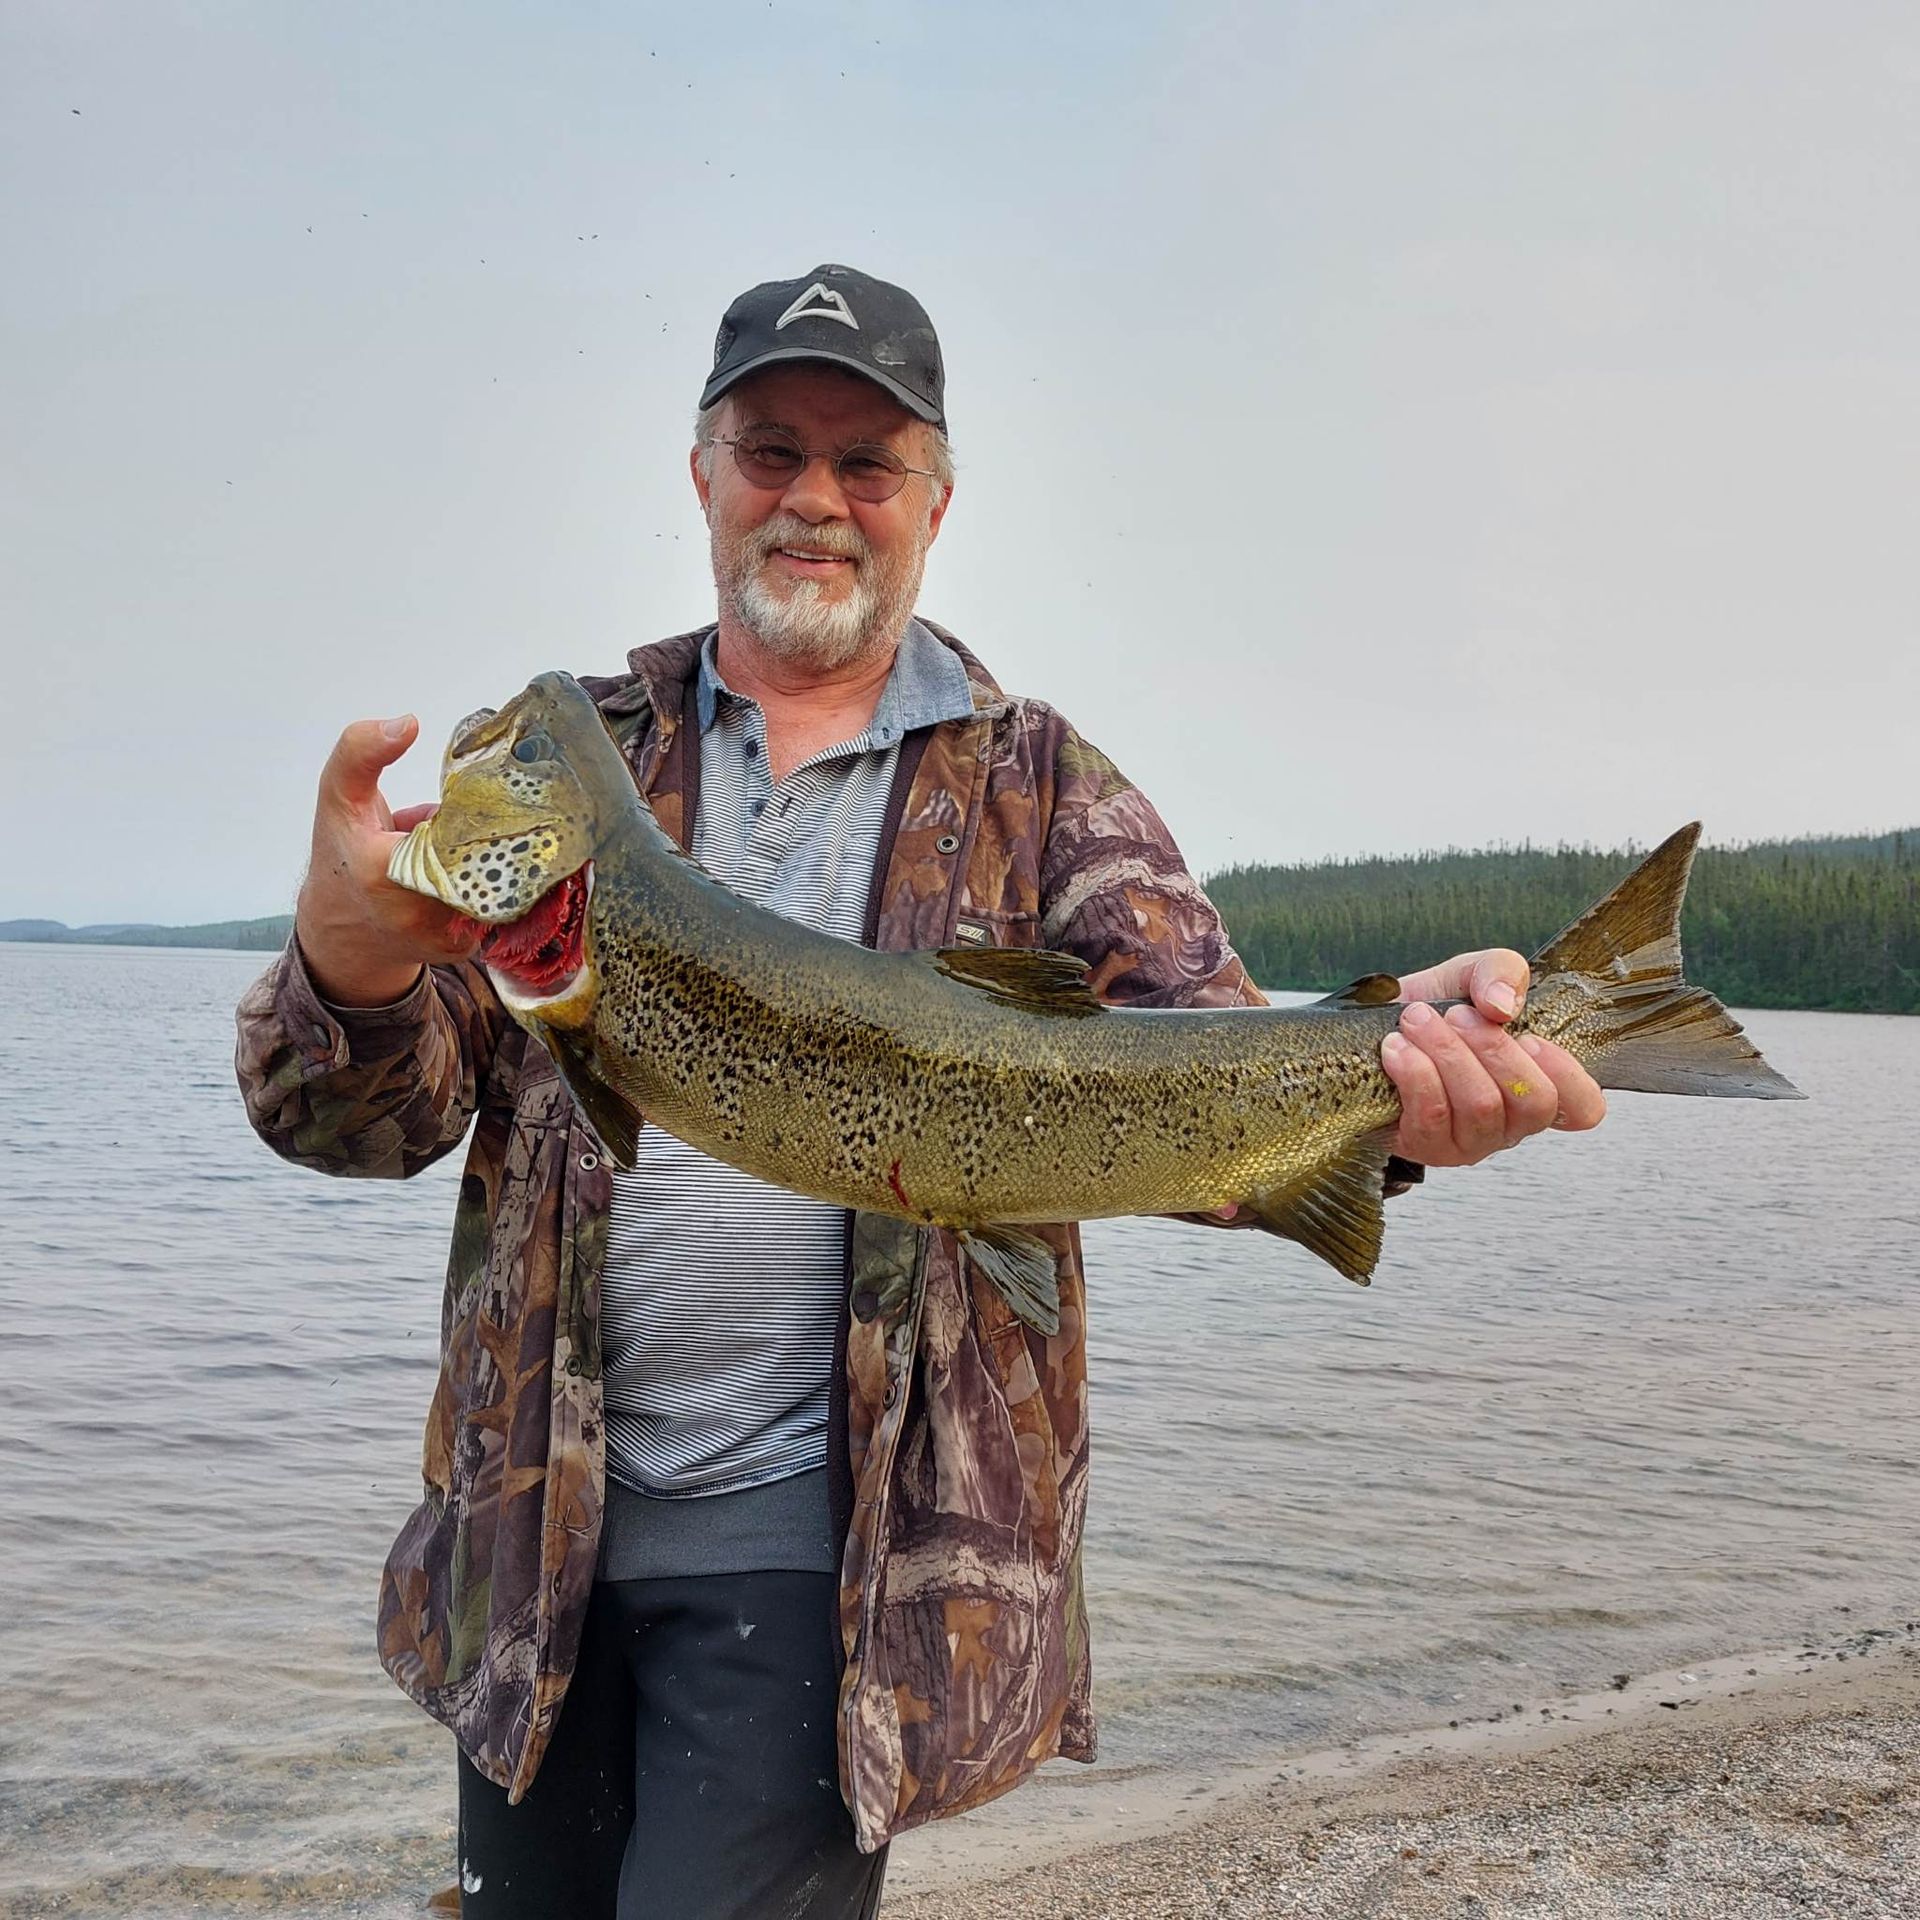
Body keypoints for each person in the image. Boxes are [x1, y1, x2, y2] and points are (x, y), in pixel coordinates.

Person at [235, 264, 1606, 1919]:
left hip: (829, 1566)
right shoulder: (574, 757)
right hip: (531, 1552)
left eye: (865, 462)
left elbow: (1202, 1054)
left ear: (934, 503)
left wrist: (1398, 1070)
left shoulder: (1043, 783)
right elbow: (358, 1125)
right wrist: (346, 955)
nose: (814, 497)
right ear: (702, 476)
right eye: (771, 450)